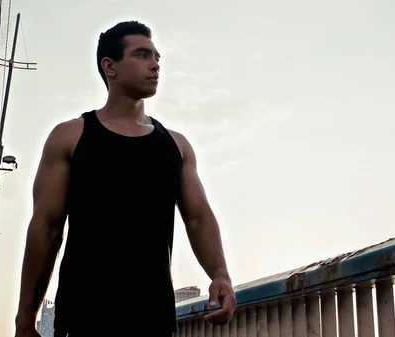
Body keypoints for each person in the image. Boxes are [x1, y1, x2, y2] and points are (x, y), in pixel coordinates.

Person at [14, 21, 236, 336]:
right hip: (83, 316)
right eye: (142, 55)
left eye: (157, 57)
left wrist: (221, 276)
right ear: (110, 66)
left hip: (152, 317)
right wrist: (25, 319)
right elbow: (46, 228)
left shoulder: (176, 146)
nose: (155, 64)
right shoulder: (70, 137)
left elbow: (199, 219)